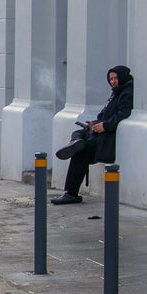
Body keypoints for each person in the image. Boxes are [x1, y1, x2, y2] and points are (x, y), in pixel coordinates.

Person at [52, 65, 133, 205]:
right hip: (100, 132)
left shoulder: (126, 93)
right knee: (78, 132)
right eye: (111, 79)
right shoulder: (116, 93)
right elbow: (107, 114)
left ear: (122, 77)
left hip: (107, 138)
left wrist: (104, 125)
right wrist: (95, 123)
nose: (113, 81)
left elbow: (122, 114)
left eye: (115, 78)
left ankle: (71, 193)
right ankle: (76, 142)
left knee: (81, 152)